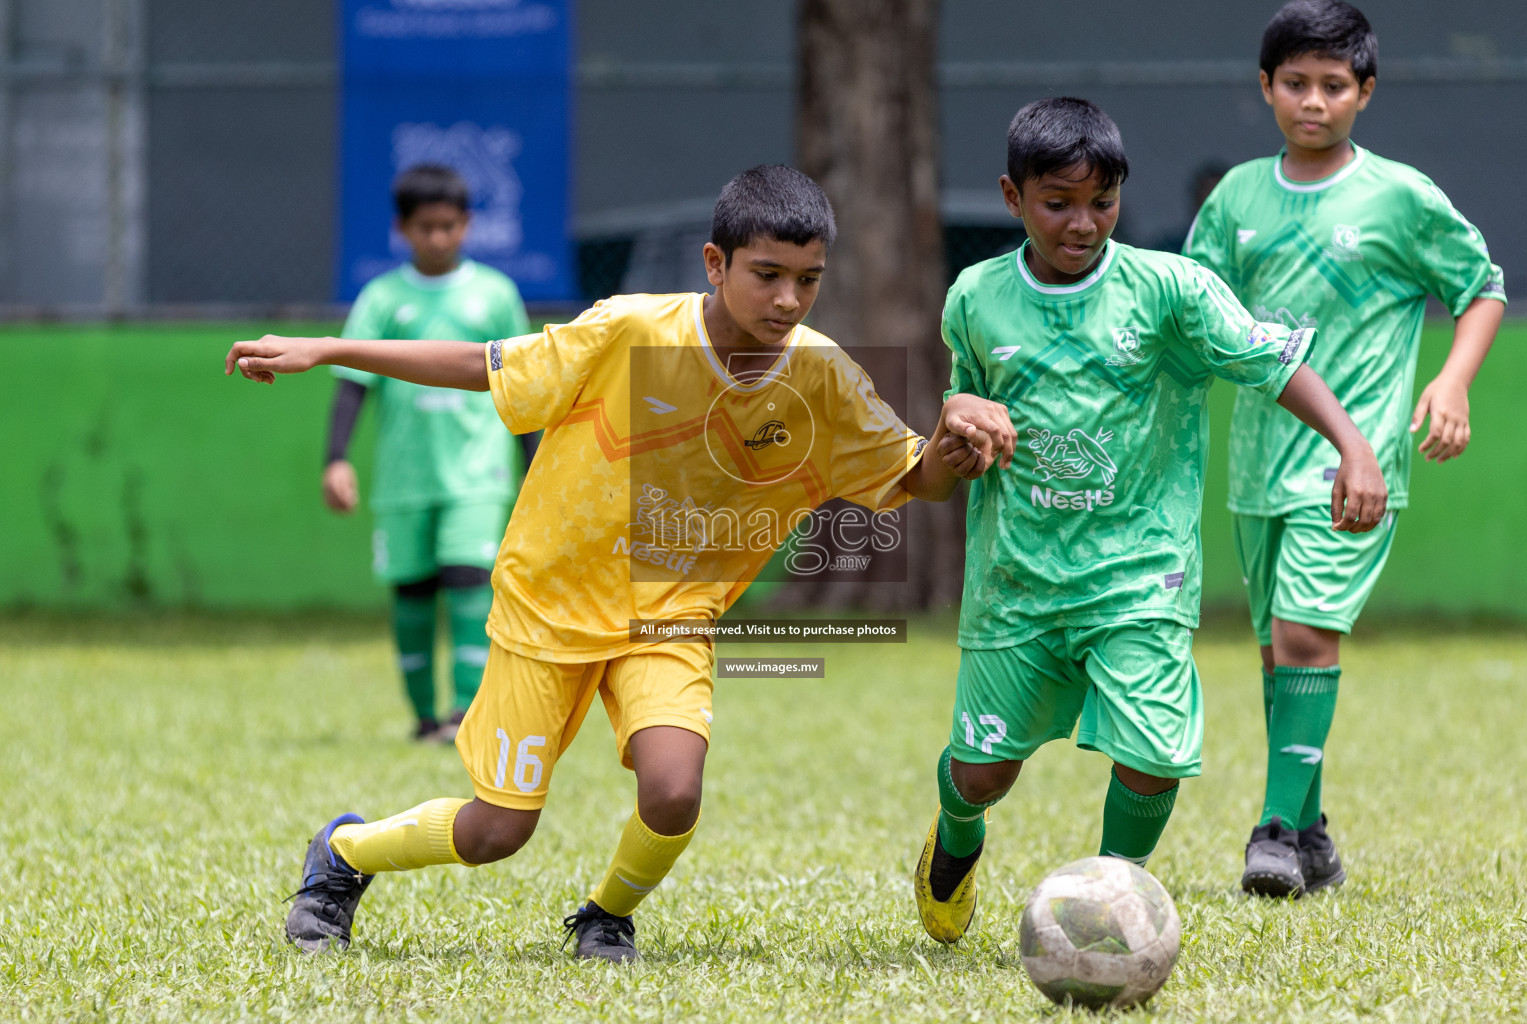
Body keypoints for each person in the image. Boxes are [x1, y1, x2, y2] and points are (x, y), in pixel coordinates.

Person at [226, 165, 1017, 962]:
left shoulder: (822, 378)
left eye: (807, 280)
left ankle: (606, 915)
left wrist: (954, 437)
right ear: (716, 263)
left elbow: (915, 477)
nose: (787, 300)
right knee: (497, 831)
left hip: (669, 617)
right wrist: (328, 349)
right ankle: (344, 853)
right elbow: (485, 365)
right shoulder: (631, 330)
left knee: (673, 790)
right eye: (767, 275)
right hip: (550, 604)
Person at [911, 96, 1388, 945]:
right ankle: (952, 845)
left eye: (1104, 201)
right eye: (1058, 203)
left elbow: (1274, 365)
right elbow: (959, 414)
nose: (1084, 223)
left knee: (1156, 754)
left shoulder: (1172, 291)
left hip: (1142, 575)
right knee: (983, 774)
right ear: (1013, 197)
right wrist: (962, 422)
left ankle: (1101, 901)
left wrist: (1352, 446)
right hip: (1015, 581)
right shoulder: (976, 298)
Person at [1182, 0, 1506, 898]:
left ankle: (1276, 832)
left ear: (1364, 92)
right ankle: (1313, 833)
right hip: (1256, 467)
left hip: (1352, 465)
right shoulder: (1236, 199)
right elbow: (1200, 312)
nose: (1313, 101)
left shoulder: (1399, 196)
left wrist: (1451, 382)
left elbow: (1480, 289)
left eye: (1333, 85)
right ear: (1266, 89)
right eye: (1296, 83)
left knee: (1303, 635)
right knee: (1275, 654)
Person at [326, 163, 537, 742]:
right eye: (426, 227)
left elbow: (521, 385)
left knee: (470, 581)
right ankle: (422, 717)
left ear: (466, 225)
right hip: (404, 479)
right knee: (413, 593)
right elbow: (351, 384)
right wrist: (336, 459)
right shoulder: (381, 298)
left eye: (449, 225)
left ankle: (463, 715)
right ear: (403, 229)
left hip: (477, 474)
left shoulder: (495, 295)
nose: (438, 237)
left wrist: (536, 465)